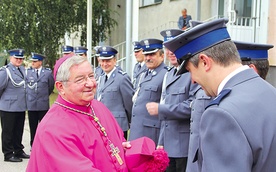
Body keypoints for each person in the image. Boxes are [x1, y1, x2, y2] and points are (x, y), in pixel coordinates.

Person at [164, 18, 276, 172]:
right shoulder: (269, 91)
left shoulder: (221, 115)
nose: (193, 80)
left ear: (204, 62)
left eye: (190, 70)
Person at [26, 55, 129, 171]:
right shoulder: (52, 128)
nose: (90, 84)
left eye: (91, 76)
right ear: (60, 87)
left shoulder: (98, 106)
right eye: (80, 79)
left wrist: (122, 147)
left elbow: (116, 141)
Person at [145, 29, 197, 172]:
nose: (171, 52)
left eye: (175, 48)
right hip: (168, 144)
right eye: (168, 48)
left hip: (183, 146)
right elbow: (166, 111)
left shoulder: (191, 73)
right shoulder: (170, 74)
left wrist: (161, 109)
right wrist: (161, 141)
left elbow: (192, 107)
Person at [129, 38, 168, 145]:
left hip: (151, 134)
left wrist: (161, 141)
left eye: (152, 55)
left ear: (161, 55)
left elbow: (166, 107)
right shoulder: (143, 74)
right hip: (137, 131)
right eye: (146, 55)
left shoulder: (165, 74)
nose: (148, 58)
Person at [96, 46, 134, 139]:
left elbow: (129, 103)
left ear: (114, 61)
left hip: (118, 124)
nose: (105, 64)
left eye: (108, 61)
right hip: (103, 124)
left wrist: (129, 121)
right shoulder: (101, 78)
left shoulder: (122, 78)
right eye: (102, 61)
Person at [0, 49, 30, 162]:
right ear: (11, 58)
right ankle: (8, 154)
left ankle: (18, 150)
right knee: (8, 131)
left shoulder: (22, 69)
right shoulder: (5, 71)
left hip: (20, 106)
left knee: (18, 130)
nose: (19, 60)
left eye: (21, 58)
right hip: (8, 107)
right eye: (16, 58)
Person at [26, 53, 55, 147]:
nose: (32, 63)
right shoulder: (28, 72)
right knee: (32, 126)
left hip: (43, 105)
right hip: (32, 105)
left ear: (40, 62)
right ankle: (33, 145)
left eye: (35, 61)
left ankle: (44, 144)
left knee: (44, 127)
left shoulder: (47, 73)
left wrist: (44, 96)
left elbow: (50, 87)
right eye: (32, 61)